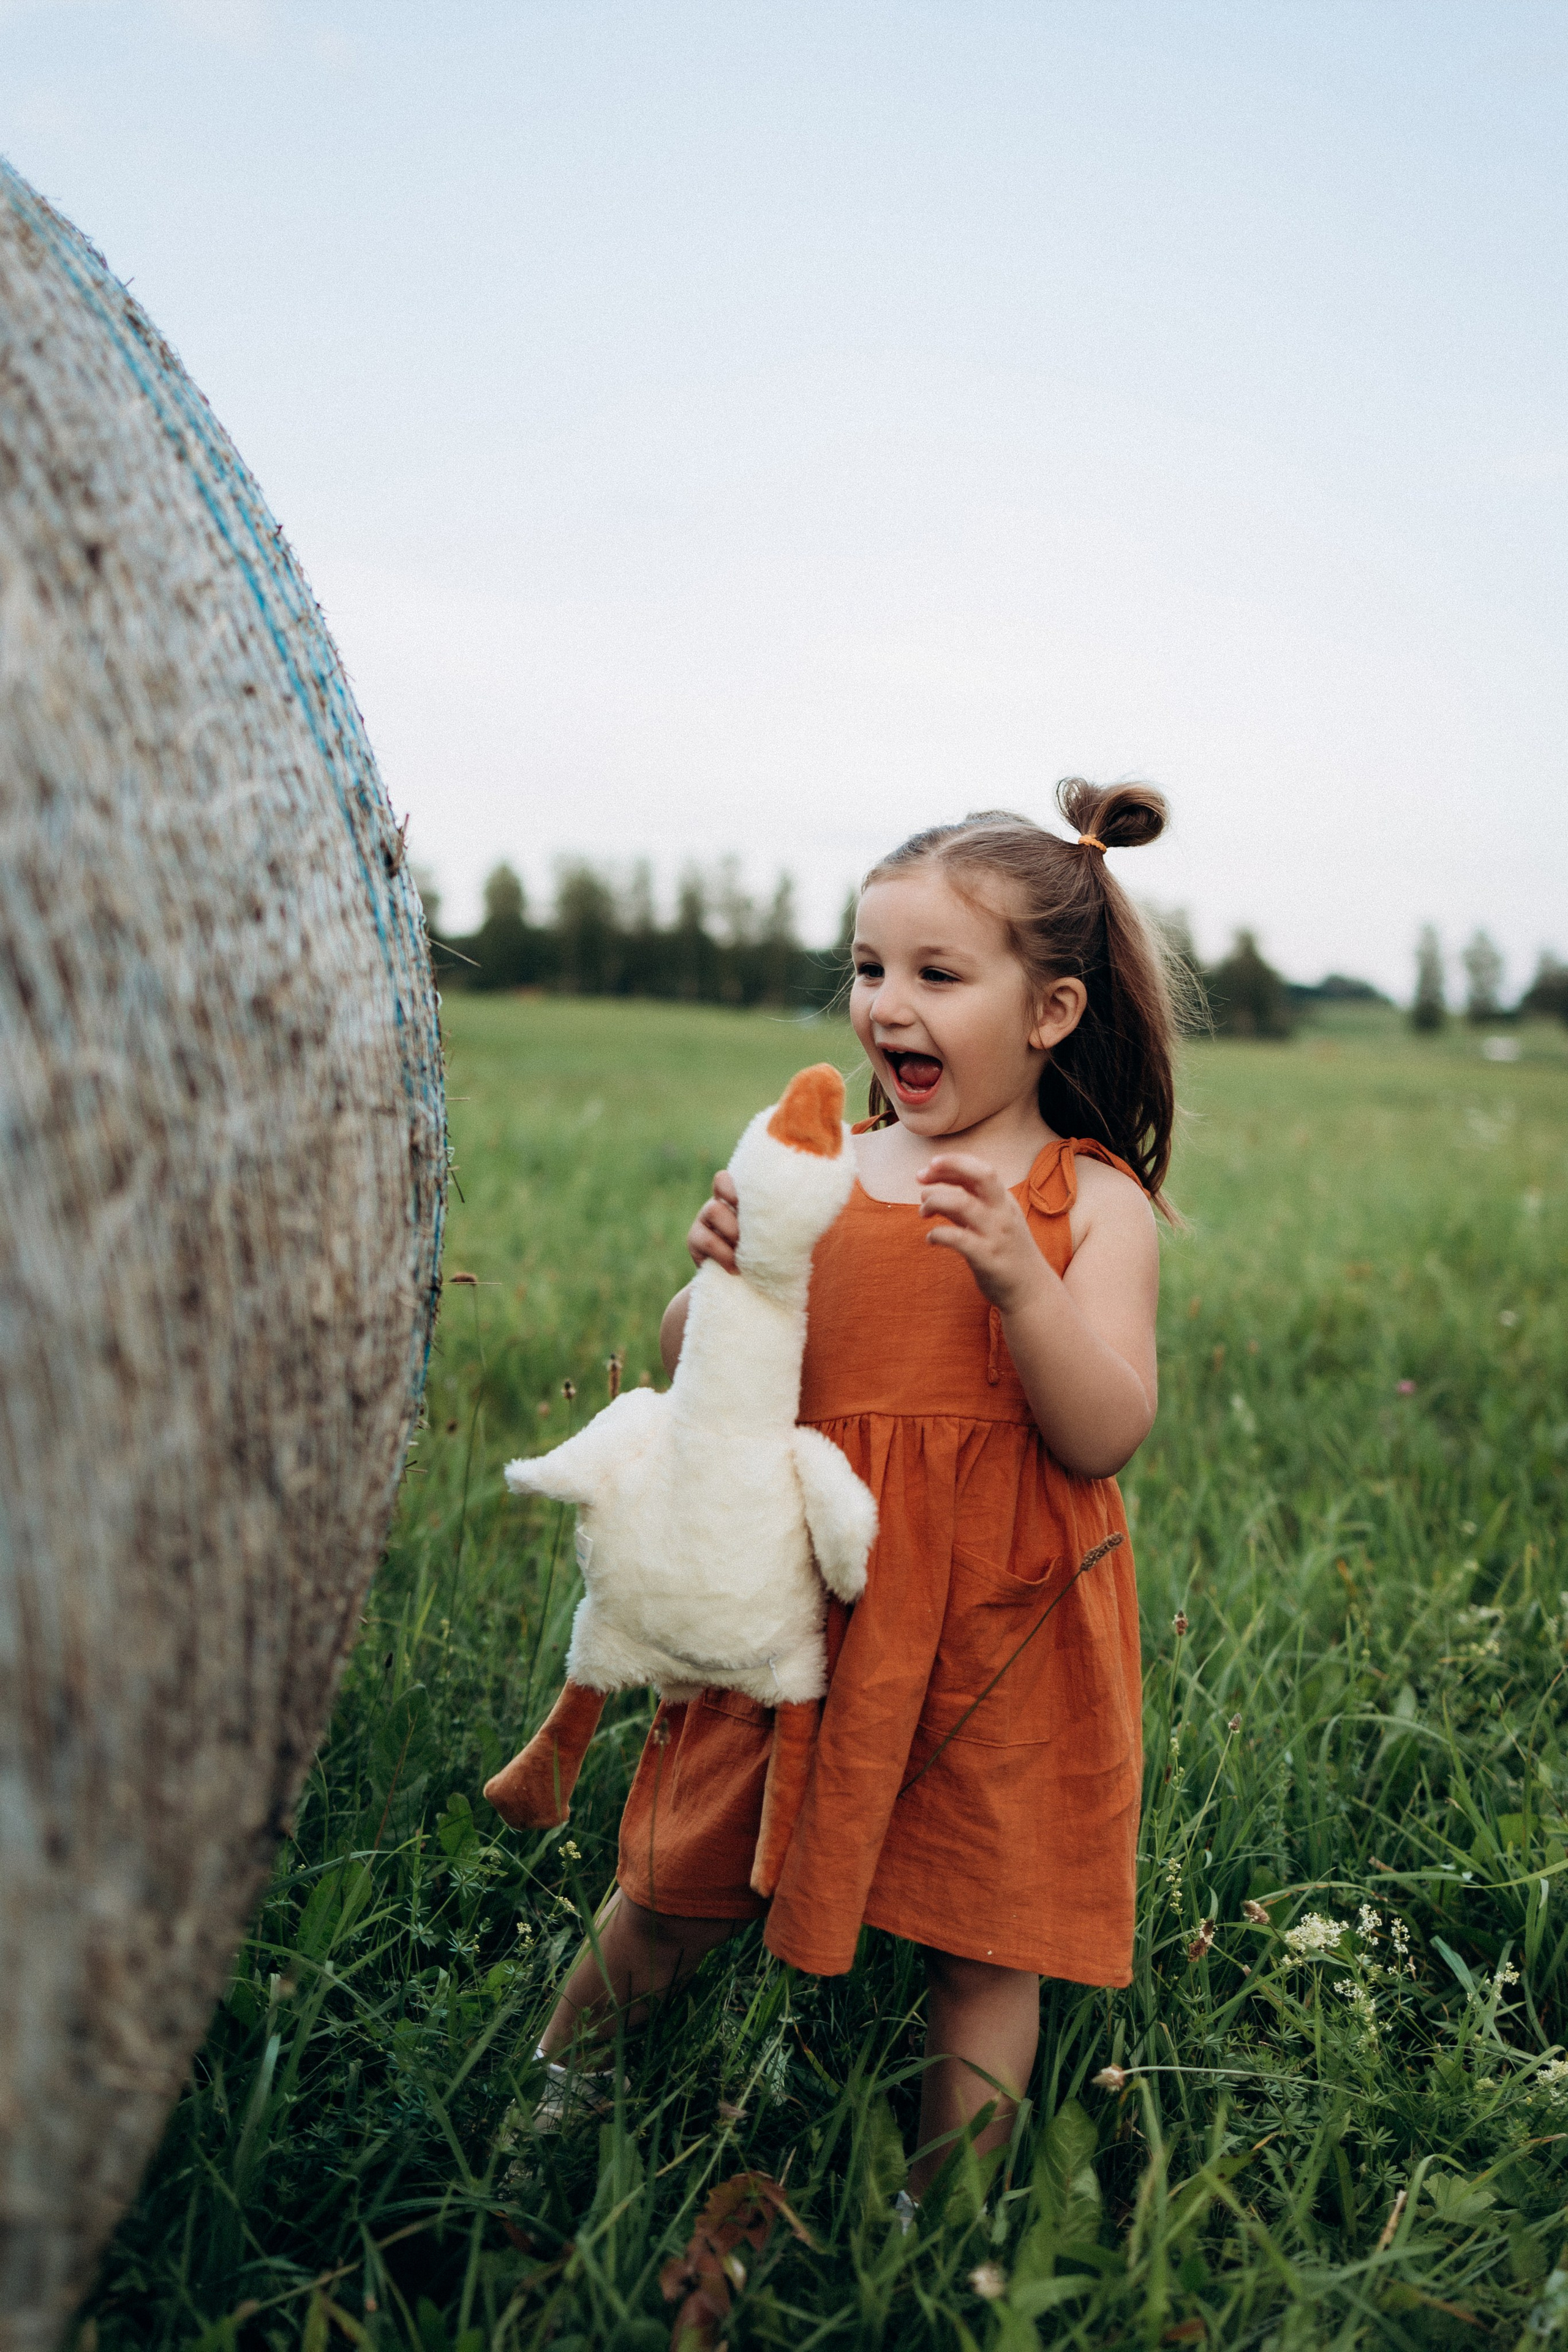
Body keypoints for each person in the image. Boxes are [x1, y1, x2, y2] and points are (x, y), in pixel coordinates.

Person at [530, 780, 1177, 2200]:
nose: (887, 1004)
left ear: (1049, 1013)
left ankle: (942, 2220)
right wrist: (719, 1274)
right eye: (869, 968)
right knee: (672, 1887)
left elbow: (1101, 1432)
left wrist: (1018, 1279)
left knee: (983, 1941)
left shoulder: (1089, 1201)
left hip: (998, 1623)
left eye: (937, 974)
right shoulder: (821, 1173)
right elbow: (703, 1373)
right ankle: (546, 2114)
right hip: (796, 1601)